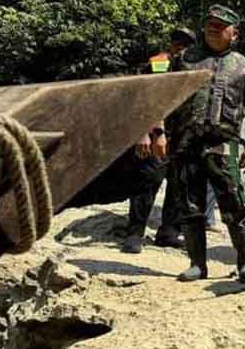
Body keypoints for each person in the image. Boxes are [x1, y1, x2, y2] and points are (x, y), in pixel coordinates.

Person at [71, 27, 196, 253]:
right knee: (147, 180)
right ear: (171, 44)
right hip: (156, 132)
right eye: (177, 43)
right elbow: (141, 102)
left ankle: (169, 232)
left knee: (179, 184)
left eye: (186, 44)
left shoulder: (195, 67)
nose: (181, 48)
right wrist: (144, 133)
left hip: (182, 136)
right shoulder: (157, 65)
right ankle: (135, 232)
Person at [166, 5, 245, 282]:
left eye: (221, 25)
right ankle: (197, 264)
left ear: (234, 33)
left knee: (234, 201)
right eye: (210, 23)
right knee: (190, 203)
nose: (213, 28)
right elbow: (164, 98)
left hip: (227, 143)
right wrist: (156, 133)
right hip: (186, 142)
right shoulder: (185, 59)